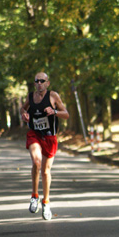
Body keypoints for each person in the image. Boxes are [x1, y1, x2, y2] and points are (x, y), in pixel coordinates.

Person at [20, 72, 69, 220]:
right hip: (35, 134)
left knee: (46, 171)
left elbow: (66, 114)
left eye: (42, 81)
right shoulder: (30, 97)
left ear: (47, 83)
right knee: (36, 162)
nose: (39, 83)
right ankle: (34, 196)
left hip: (49, 136)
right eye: (37, 81)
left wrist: (54, 112)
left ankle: (46, 202)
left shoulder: (53, 96)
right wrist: (24, 114)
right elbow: (23, 109)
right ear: (34, 83)